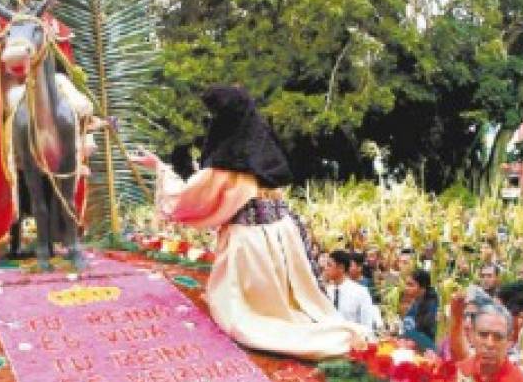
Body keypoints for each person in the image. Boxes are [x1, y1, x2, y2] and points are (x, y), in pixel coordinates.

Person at [132, 86, 366, 359]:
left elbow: (186, 199)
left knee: (245, 316)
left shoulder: (229, 163)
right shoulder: (264, 148)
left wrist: (159, 168)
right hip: (284, 236)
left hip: (251, 242)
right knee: (293, 307)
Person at [0, 0, 89, 251]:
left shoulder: (51, 24)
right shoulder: (0, 25)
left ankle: (84, 145)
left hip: (49, 81)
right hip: (17, 83)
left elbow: (62, 59)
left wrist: (70, 70)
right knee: (15, 101)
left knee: (79, 105)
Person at [323, 249, 382, 333]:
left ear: (341, 268)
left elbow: (367, 326)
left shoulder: (360, 292)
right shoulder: (327, 291)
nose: (325, 268)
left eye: (329, 265)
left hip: (353, 341)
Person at [401, 269, 439, 350]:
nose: (406, 288)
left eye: (411, 285)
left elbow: (423, 337)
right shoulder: (416, 301)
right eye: (406, 284)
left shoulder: (430, 307)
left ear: (422, 288)